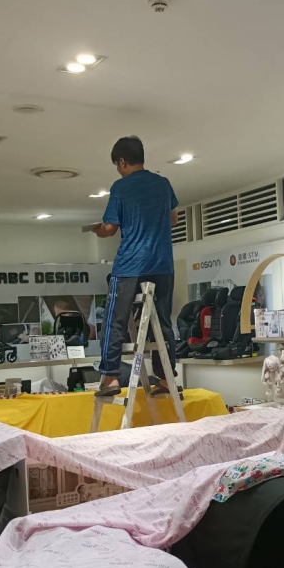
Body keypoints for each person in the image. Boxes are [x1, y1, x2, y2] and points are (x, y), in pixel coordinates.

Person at [92, 136, 179, 394]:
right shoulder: (163, 184)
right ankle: (167, 378)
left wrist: (98, 230)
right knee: (163, 323)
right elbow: (173, 219)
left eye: (117, 165)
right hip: (162, 264)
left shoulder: (121, 187)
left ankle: (110, 377)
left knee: (115, 320)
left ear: (122, 161)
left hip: (130, 265)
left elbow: (110, 228)